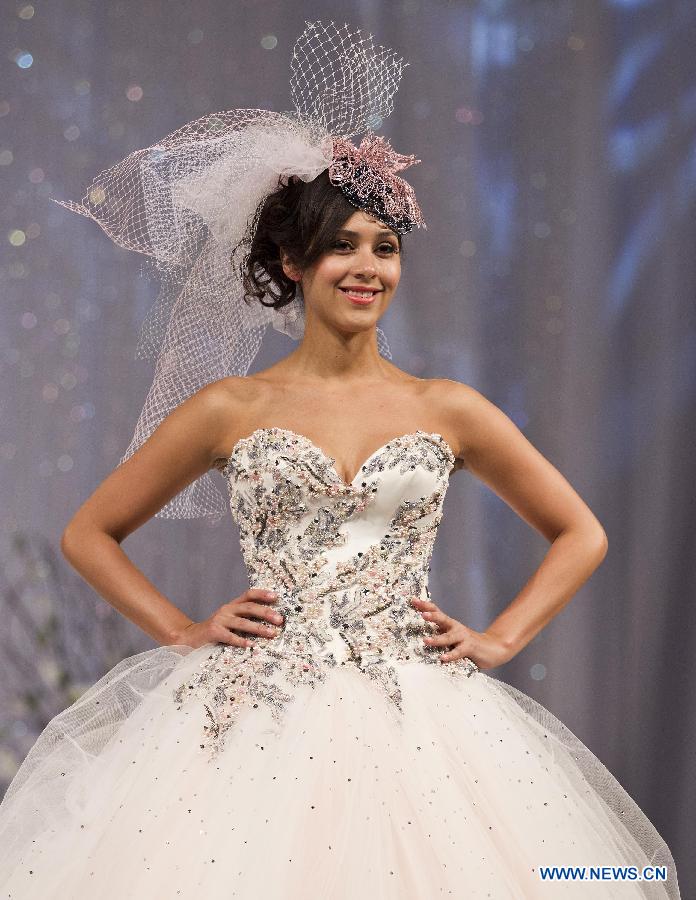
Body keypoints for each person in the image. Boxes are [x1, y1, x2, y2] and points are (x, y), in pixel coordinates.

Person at [0, 20, 680, 900]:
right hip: (252, 719)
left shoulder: (448, 407)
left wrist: (502, 637)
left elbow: (579, 532)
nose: (367, 267)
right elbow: (90, 531)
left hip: (421, 716)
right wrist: (179, 629)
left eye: (384, 247)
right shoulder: (231, 408)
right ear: (292, 261)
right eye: (342, 247)